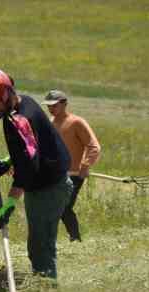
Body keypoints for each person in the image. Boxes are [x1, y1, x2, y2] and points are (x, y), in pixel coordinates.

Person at [0, 69, 72, 279]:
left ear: (6, 95)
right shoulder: (23, 103)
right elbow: (32, 145)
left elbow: (29, 165)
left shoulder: (18, 120)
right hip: (46, 183)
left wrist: (10, 203)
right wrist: (8, 161)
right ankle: (46, 291)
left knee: (40, 248)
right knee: (39, 245)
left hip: (49, 188)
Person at [42, 90, 101, 242]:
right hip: (56, 174)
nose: (51, 108)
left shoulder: (77, 122)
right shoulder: (50, 123)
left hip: (74, 175)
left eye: (54, 105)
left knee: (65, 207)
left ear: (64, 104)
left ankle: (75, 239)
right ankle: (53, 239)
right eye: (49, 106)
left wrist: (85, 165)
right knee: (53, 207)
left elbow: (93, 146)